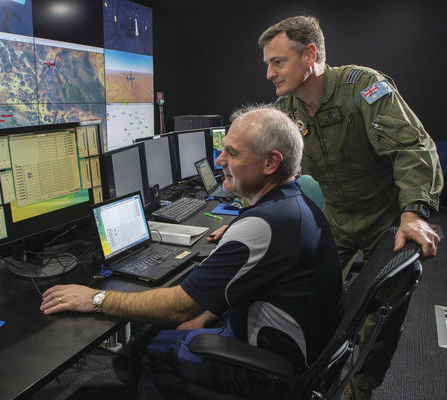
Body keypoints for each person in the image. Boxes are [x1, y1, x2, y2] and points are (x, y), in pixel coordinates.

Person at [40, 105, 344, 398]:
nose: (219, 159)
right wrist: (206, 314)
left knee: (142, 350)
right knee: (166, 331)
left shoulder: (262, 226)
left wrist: (95, 298)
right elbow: (250, 281)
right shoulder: (294, 205)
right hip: (299, 353)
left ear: (271, 162)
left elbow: (178, 306)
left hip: (267, 372)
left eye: (232, 153)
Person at [247, 15, 443, 399]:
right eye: (267, 64)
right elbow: (273, 168)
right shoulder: (287, 108)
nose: (269, 73)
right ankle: (312, 367)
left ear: (310, 55)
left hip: (385, 222)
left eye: (278, 62)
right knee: (304, 292)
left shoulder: (364, 88)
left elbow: (413, 148)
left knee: (381, 316)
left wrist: (413, 213)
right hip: (335, 220)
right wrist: (247, 216)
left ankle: (361, 386)